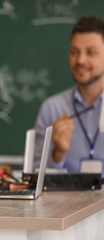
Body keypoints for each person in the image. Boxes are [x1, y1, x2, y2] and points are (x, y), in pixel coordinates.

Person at [34, 16, 104, 177]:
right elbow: (33, 175)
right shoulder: (52, 108)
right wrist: (58, 154)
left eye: (91, 52)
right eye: (74, 52)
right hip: (65, 202)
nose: (80, 60)